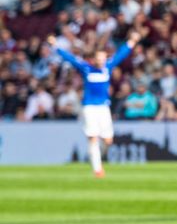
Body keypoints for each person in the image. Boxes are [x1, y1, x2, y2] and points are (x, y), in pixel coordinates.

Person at [48, 32, 140, 177]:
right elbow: (70, 58)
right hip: (89, 107)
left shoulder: (108, 67)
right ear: (94, 59)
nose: (101, 60)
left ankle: (99, 158)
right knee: (93, 137)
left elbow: (121, 54)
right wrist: (55, 46)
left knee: (108, 140)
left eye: (103, 58)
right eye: (98, 58)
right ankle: (97, 169)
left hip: (103, 107)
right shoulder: (86, 69)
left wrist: (132, 41)